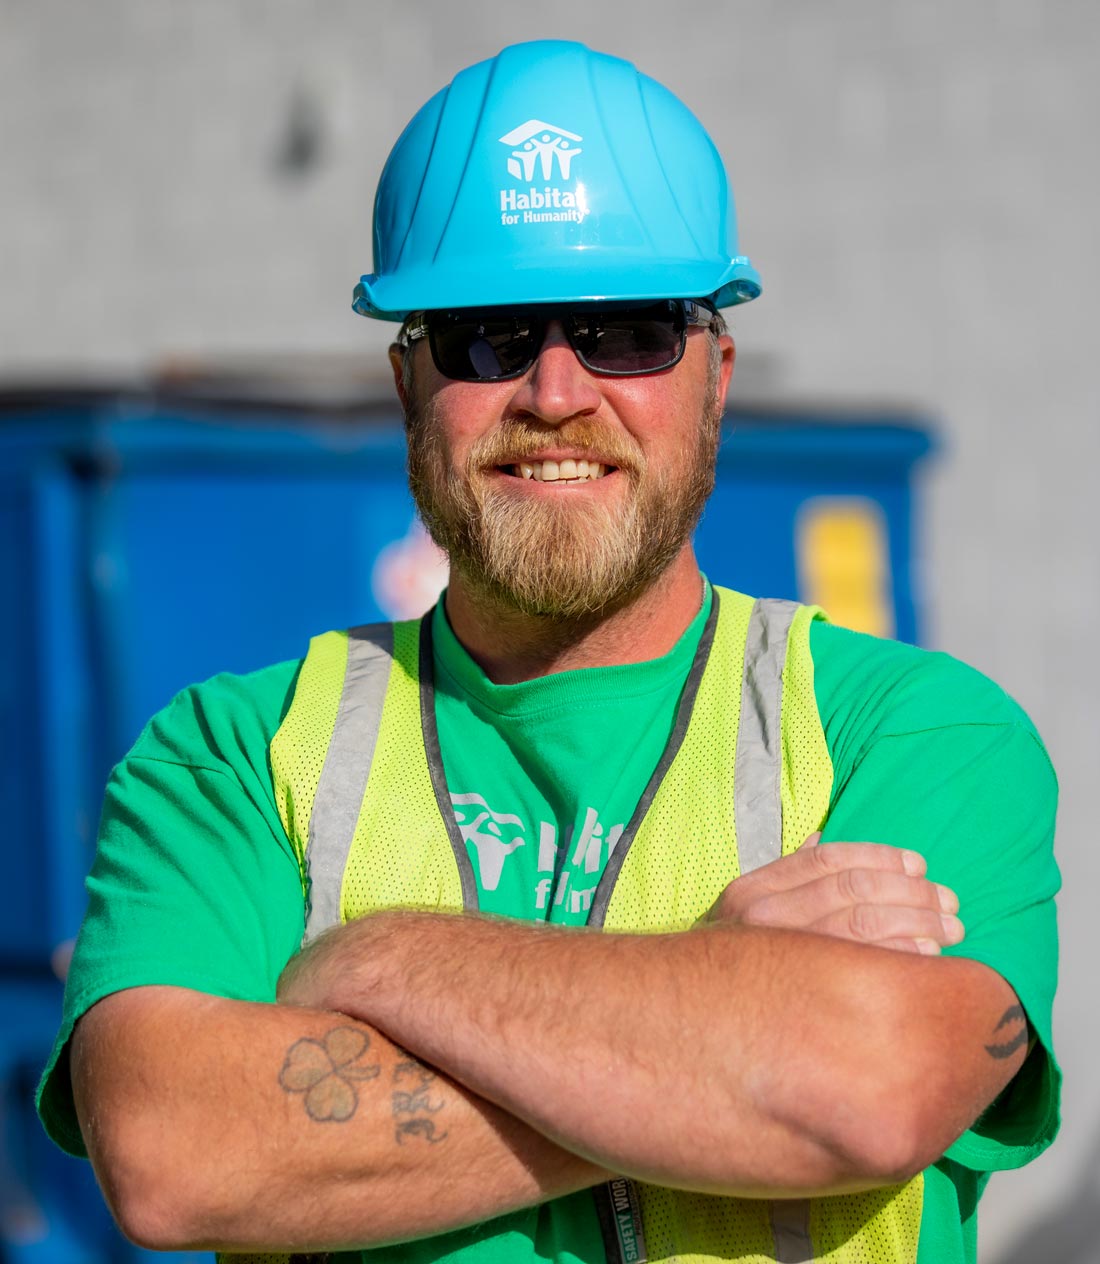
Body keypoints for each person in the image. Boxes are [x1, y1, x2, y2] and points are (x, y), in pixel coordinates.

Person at [37, 39, 1059, 1264]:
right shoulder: (232, 757)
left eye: (626, 331)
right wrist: (721, 1030)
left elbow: (866, 1090)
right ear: (410, 384)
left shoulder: (916, 733)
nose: (557, 391)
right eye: (488, 335)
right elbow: (173, 1153)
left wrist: (376, 958)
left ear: (715, 378)